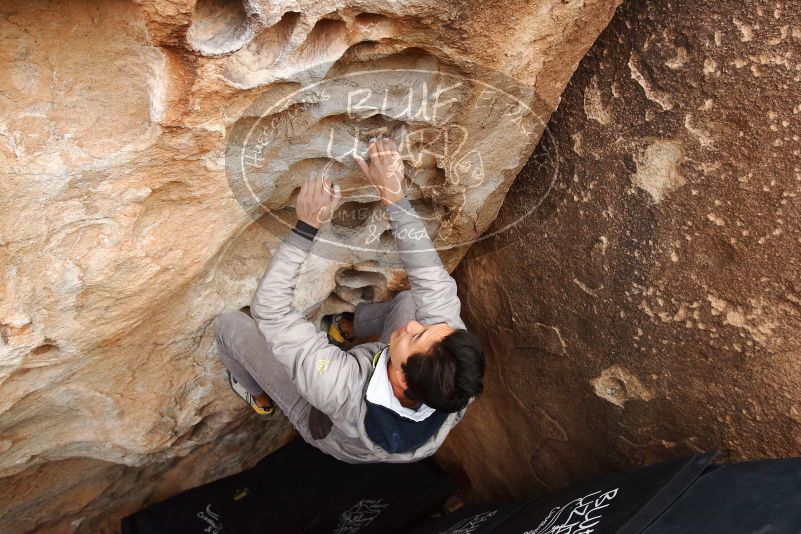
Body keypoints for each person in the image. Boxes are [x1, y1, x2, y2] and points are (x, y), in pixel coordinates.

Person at [213, 134, 485, 463]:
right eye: (432, 329)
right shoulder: (451, 378)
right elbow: (428, 273)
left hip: (323, 418)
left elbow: (270, 311)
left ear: (401, 378)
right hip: (379, 378)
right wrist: (393, 194)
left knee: (228, 327)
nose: (415, 325)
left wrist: (306, 227)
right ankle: (347, 327)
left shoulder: (337, 387)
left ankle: (258, 396)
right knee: (413, 301)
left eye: (416, 335)